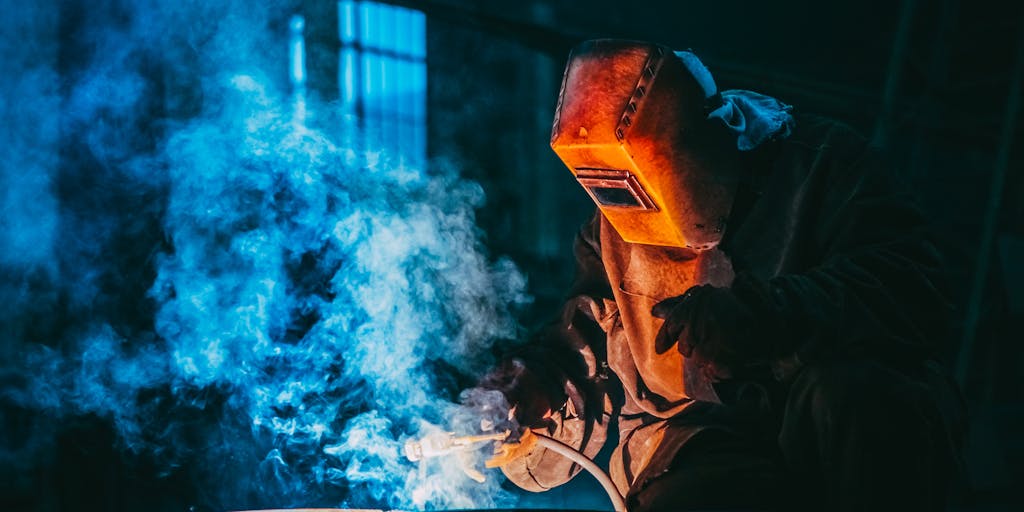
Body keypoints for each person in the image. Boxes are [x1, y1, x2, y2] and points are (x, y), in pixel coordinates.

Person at [480, 39, 966, 511]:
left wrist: (769, 315)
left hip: (828, 416)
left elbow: (915, 286)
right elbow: (584, 350)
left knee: (855, 401)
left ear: (704, 138)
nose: (636, 215)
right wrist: (530, 390)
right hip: (695, 439)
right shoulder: (611, 229)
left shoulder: (822, 164)